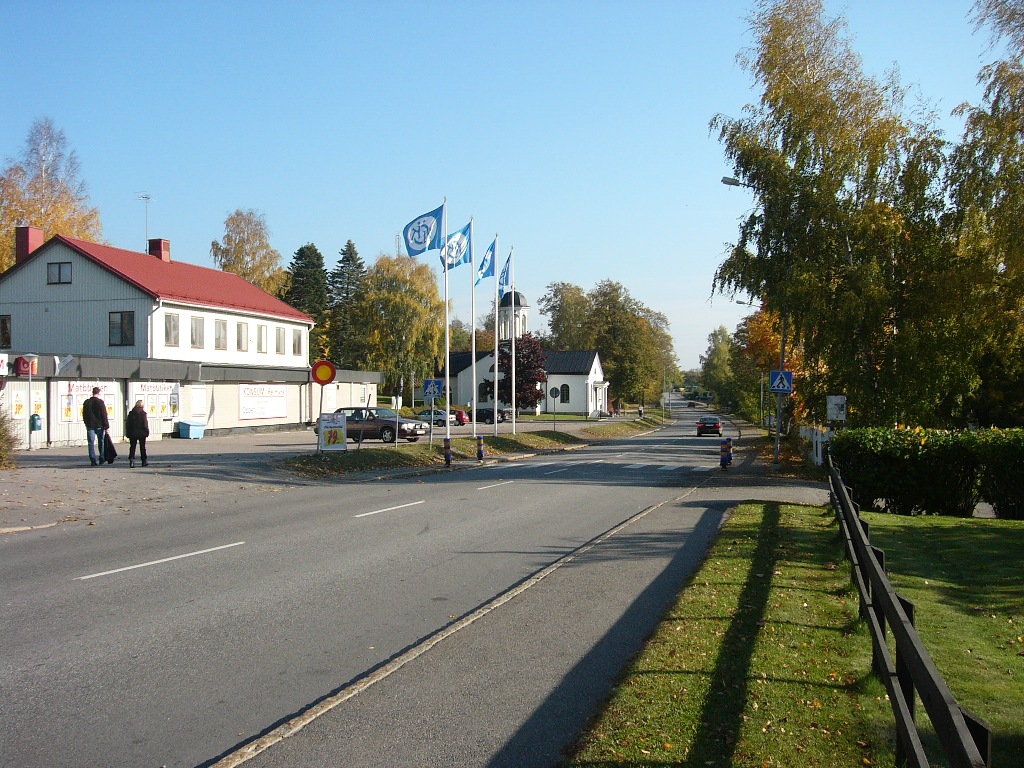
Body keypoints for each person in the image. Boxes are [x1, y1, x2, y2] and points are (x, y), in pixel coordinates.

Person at [82, 386, 109, 466]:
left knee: (91, 443)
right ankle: (102, 458)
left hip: (90, 425)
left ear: (92, 392)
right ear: (98, 393)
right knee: (101, 442)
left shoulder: (87, 402)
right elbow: (104, 415)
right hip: (99, 425)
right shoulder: (100, 402)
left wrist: (86, 423)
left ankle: (93, 460)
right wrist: (106, 425)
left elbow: (84, 414)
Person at [126, 399, 150, 468]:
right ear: (142, 405)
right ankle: (144, 461)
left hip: (132, 432)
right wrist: (147, 431)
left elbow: (128, 424)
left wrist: (128, 432)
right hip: (141, 432)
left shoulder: (131, 413)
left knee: (132, 447)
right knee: (142, 447)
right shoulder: (143, 413)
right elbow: (145, 424)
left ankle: (132, 460)